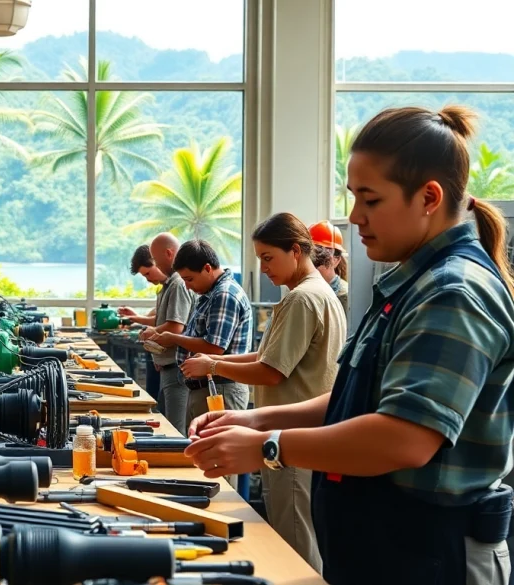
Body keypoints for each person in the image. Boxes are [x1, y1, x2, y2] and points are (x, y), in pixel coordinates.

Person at [184, 106, 514, 585]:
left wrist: (268, 446)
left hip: (431, 554)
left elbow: (404, 438)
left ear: (428, 197)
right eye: (354, 197)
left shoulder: (453, 292)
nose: (355, 217)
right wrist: (257, 418)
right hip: (389, 548)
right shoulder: (413, 284)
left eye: (371, 200)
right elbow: (360, 400)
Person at [181, 212, 345, 571]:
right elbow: (267, 355)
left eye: (269, 258)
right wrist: (214, 360)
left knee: (295, 540)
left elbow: (271, 372)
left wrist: (213, 365)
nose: (264, 268)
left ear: (297, 251)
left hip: (291, 436)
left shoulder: (302, 299)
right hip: (300, 432)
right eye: (260, 259)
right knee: (299, 530)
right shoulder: (318, 293)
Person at [152, 239, 252, 431]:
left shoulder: (224, 295)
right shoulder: (210, 295)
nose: (188, 287)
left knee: (218, 453)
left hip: (220, 388)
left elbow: (214, 347)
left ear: (207, 268)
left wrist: (172, 338)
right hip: (206, 387)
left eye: (189, 279)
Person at [135, 235, 196, 432]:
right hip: (167, 364)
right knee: (168, 422)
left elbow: (176, 327)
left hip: (177, 366)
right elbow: (164, 322)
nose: (156, 265)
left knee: (175, 429)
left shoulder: (178, 284)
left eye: (156, 260)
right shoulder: (169, 285)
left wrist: (152, 332)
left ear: (168, 254)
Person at [119, 244, 167, 408]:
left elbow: (173, 324)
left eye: (148, 273)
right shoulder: (164, 288)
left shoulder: (178, 285)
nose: (147, 279)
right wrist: (136, 318)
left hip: (171, 361)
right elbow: (159, 317)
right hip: (160, 356)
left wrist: (141, 322)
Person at [310, 220, 349, 312]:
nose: (313, 265)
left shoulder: (345, 296)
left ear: (336, 260)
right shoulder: (305, 291)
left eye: (320, 256)